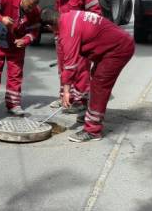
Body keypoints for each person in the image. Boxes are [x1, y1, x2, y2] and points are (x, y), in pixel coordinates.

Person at [42, 9, 135, 142]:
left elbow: (69, 65)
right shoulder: (69, 16)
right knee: (95, 77)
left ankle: (93, 130)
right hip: (114, 45)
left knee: (99, 85)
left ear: (49, 26)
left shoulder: (68, 31)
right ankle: (91, 116)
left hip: (118, 50)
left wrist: (66, 92)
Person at [51, 0, 102, 113]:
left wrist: (86, 37)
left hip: (80, 36)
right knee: (64, 68)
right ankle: (65, 97)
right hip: (63, 34)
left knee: (80, 68)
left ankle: (80, 100)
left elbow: (95, 15)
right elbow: (58, 8)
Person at [0, 0, 42, 116]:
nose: (31, 10)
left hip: (16, 47)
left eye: (34, 7)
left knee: (15, 75)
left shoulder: (35, 11)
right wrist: (1, 18)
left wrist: (25, 40)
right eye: (29, 6)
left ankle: (13, 104)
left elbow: (34, 32)